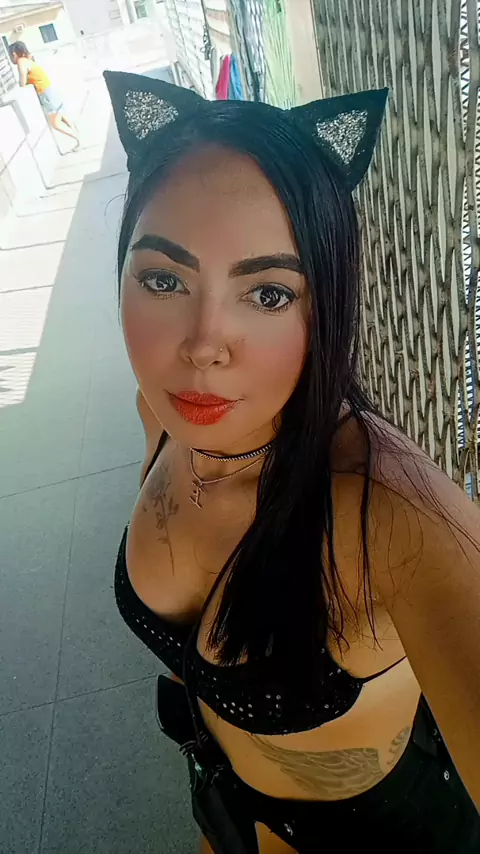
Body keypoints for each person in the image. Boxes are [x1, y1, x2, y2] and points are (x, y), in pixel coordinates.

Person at [104, 69, 480, 853]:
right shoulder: (164, 415)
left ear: (328, 301)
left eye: (269, 293)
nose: (204, 345)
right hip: (228, 809)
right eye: (164, 279)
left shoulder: (397, 519)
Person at [9, 41, 80, 149]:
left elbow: (22, 79)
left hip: (45, 93)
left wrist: (21, 86)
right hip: (49, 89)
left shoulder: (21, 62)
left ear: (14, 54)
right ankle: (77, 135)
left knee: (56, 124)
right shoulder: (28, 60)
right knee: (62, 117)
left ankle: (77, 138)